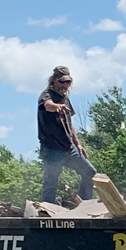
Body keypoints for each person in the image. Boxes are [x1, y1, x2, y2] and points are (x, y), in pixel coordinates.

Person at [38, 66, 96, 203]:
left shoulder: (65, 99)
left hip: (69, 149)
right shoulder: (47, 95)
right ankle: (47, 209)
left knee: (90, 172)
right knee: (51, 182)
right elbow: (47, 105)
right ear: (53, 80)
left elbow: (70, 125)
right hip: (51, 149)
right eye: (62, 82)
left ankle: (84, 203)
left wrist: (78, 144)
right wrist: (57, 106)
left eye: (67, 82)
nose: (64, 85)